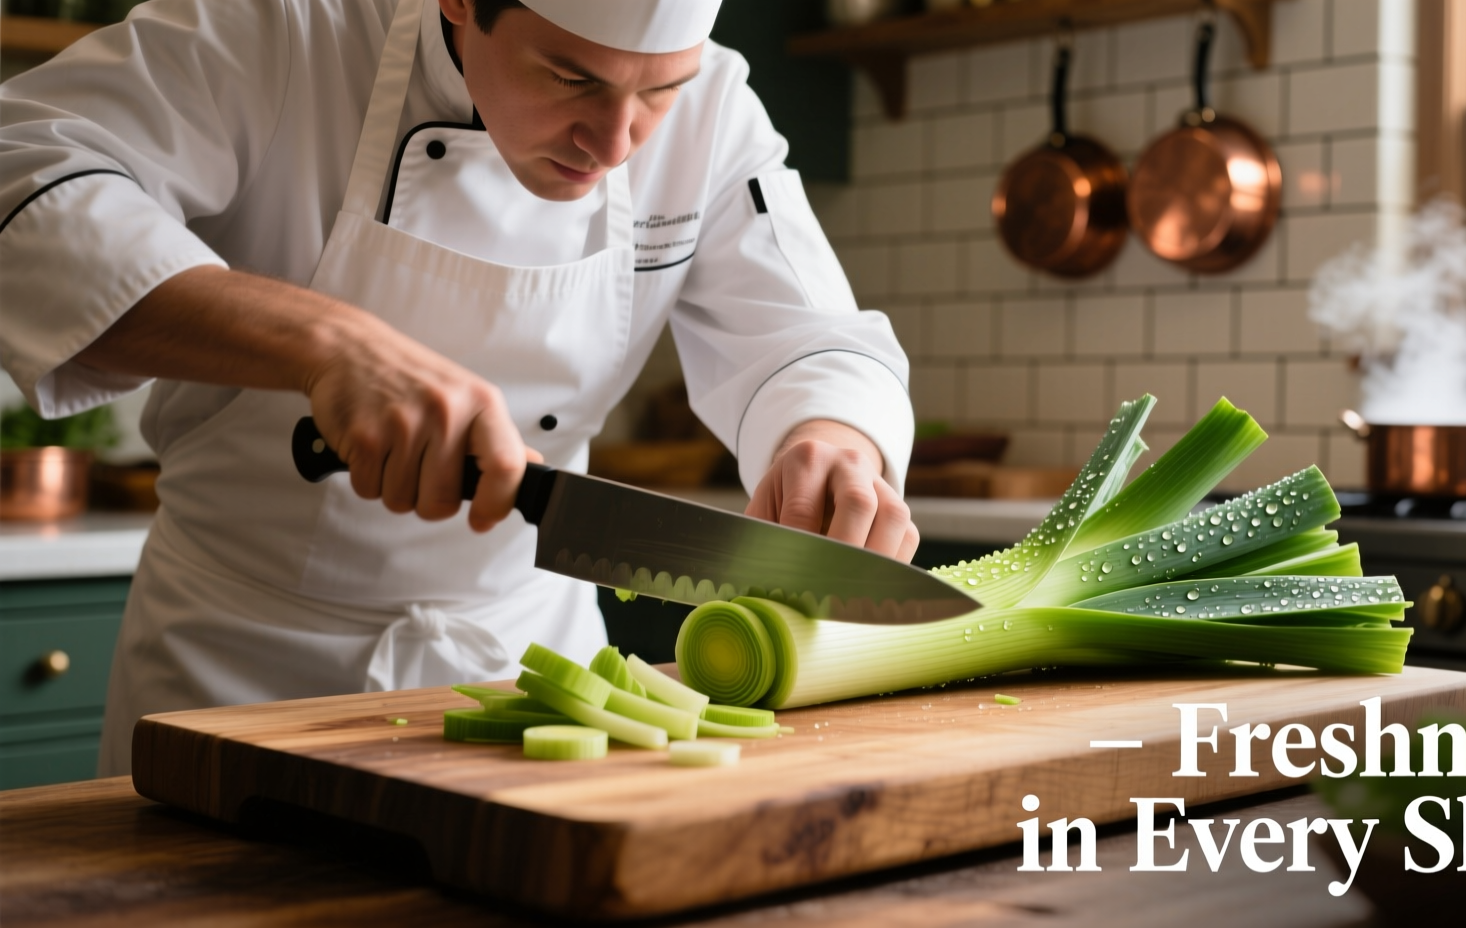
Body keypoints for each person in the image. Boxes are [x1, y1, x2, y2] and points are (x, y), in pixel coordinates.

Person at [0, 0, 918, 775]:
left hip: (532, 671)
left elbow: (807, 333)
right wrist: (326, 342)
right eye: (571, 78)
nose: (615, 141)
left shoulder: (717, 107)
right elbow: (24, 175)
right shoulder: (283, 28)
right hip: (237, 668)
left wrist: (830, 439)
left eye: (660, 92)